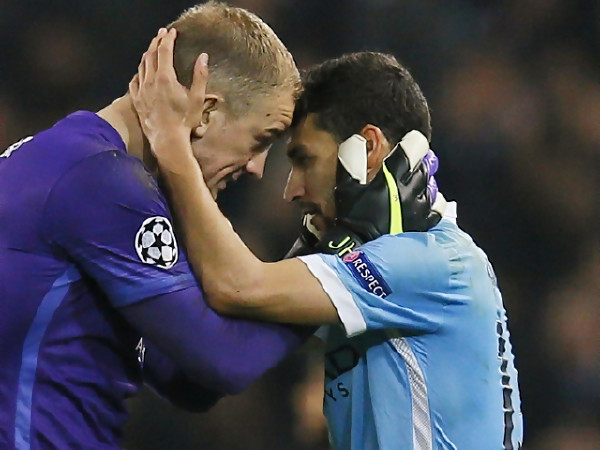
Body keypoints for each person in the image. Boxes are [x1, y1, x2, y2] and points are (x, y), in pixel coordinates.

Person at [130, 34, 524, 449]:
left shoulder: (433, 262)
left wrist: (172, 144)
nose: (291, 190)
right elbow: (217, 356)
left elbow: (237, 286)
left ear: (368, 148)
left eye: (304, 160)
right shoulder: (385, 266)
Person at [0, 3, 322, 448]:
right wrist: (330, 269)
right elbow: (223, 361)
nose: (256, 168)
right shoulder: (103, 183)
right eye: (260, 140)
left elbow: (185, 380)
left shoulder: (61, 158)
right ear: (206, 112)